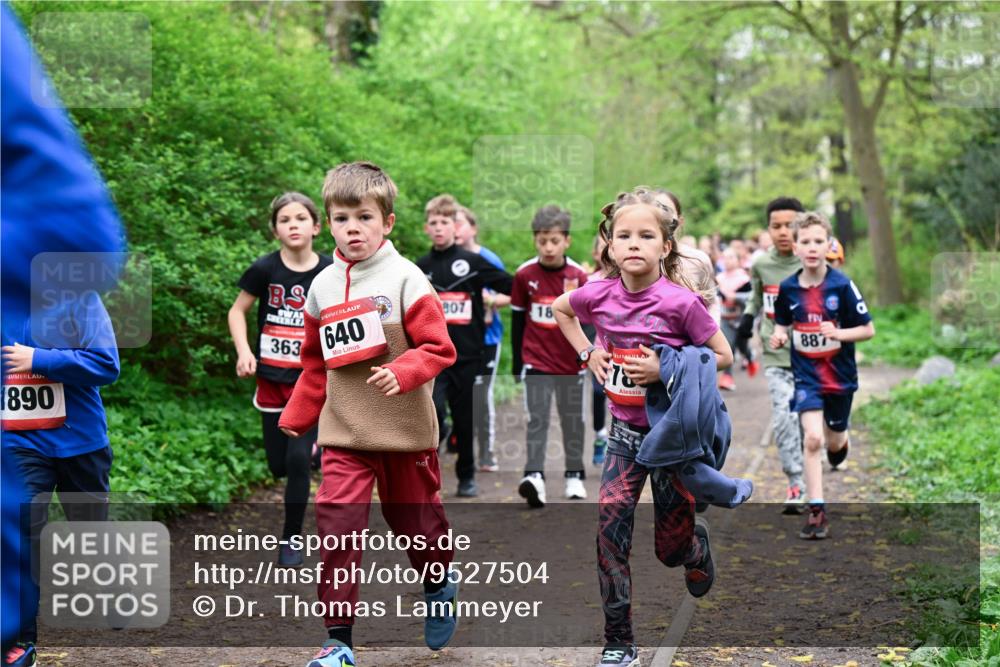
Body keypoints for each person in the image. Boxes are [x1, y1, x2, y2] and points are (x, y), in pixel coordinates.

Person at [277, 162, 459, 667]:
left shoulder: (408, 278)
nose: (352, 228)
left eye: (363, 217)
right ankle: (338, 643)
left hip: (404, 434)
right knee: (336, 526)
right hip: (344, 434)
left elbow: (439, 349)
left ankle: (439, 579)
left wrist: (403, 371)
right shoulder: (321, 287)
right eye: (340, 218)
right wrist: (300, 414)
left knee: (417, 527)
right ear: (327, 223)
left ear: (388, 222)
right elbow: (315, 362)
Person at [552, 190, 732, 667]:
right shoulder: (597, 293)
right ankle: (619, 642)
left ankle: (695, 547)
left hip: (670, 440)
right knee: (610, 533)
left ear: (665, 247)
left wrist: (665, 368)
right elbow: (560, 309)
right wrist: (588, 353)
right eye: (623, 236)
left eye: (646, 235)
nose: (634, 244)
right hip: (623, 438)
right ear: (609, 246)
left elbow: (722, 356)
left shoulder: (681, 303)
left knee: (669, 550)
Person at [2, 6, 126, 664]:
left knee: (89, 529)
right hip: (18, 441)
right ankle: (22, 638)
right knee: (19, 534)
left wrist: (37, 357)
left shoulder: (75, 287)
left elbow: (104, 364)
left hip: (79, 436)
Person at [228, 192, 332, 566]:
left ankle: (291, 539)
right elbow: (238, 311)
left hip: (311, 381)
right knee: (277, 465)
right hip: (271, 380)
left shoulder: (331, 270)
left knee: (298, 460)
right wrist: (244, 351)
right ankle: (313, 452)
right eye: (285, 220)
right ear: (275, 230)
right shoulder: (264, 269)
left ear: (316, 227)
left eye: (301, 219)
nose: (293, 225)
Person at [770, 211, 875, 540]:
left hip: (840, 376)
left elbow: (868, 330)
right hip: (807, 375)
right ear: (796, 247)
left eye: (819, 241)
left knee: (833, 438)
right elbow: (783, 322)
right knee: (812, 439)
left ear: (828, 245)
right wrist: (779, 335)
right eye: (805, 241)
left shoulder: (841, 285)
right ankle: (817, 510)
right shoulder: (788, 289)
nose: (812, 247)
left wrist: (839, 334)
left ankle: (841, 441)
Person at [417, 195, 513, 498]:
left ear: (454, 227)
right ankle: (434, 452)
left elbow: (510, 285)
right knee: (432, 410)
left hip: (468, 354)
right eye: (433, 223)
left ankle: (466, 476)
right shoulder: (420, 268)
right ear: (426, 229)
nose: (439, 228)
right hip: (432, 354)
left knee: (465, 418)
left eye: (445, 222)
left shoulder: (471, 262)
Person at [510, 205, 591, 507]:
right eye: (542, 240)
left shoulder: (578, 276)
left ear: (567, 241)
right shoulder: (524, 274)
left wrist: (586, 356)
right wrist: (519, 364)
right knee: (537, 420)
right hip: (537, 361)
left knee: (572, 421)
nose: (548, 247)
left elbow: (588, 322)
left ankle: (574, 475)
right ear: (535, 240)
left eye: (554, 241)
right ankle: (534, 477)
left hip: (570, 363)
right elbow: (519, 321)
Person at [736, 197, 808, 512]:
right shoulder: (762, 264)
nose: (783, 232)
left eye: (790, 225)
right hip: (776, 353)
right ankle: (796, 483)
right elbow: (755, 297)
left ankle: (835, 443)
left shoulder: (812, 261)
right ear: (768, 228)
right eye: (776, 226)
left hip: (813, 357)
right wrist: (746, 321)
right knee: (784, 417)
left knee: (812, 425)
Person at [453, 205, 510, 472]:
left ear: (473, 229)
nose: (454, 228)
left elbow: (512, 294)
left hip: (487, 339)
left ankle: (486, 453)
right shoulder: (445, 261)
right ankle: (456, 442)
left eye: (459, 223)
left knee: (481, 394)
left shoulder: (488, 259)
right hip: (455, 339)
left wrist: (490, 301)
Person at [716, 247, 758, 391]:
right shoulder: (719, 278)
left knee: (742, 346)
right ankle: (727, 377)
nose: (727, 261)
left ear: (738, 260)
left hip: (741, 320)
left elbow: (752, 298)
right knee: (729, 345)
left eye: (731, 257)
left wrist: (736, 297)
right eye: (725, 258)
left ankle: (750, 358)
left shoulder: (744, 279)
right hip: (725, 319)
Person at [584, 234, 610, 466]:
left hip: (625, 351)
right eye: (601, 248)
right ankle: (601, 436)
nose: (606, 252)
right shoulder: (589, 281)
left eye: (609, 247)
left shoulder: (629, 279)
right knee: (597, 392)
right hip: (598, 351)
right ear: (594, 254)